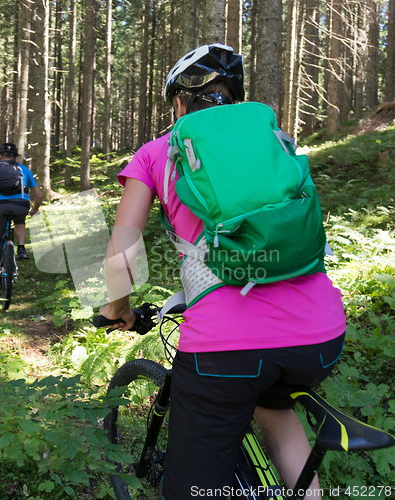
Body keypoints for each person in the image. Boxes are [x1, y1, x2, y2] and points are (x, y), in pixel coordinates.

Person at [99, 44, 346, 499]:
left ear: (178, 102)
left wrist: (118, 308)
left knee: (192, 488)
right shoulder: (276, 144)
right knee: (274, 411)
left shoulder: (157, 151)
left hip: (228, 345)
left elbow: (123, 251)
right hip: (322, 333)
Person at [0, 143, 42, 284]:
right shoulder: (24, 169)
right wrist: (35, 208)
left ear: (0, 156)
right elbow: (39, 195)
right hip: (21, 205)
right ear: (16, 157)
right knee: (20, 221)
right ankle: (21, 248)